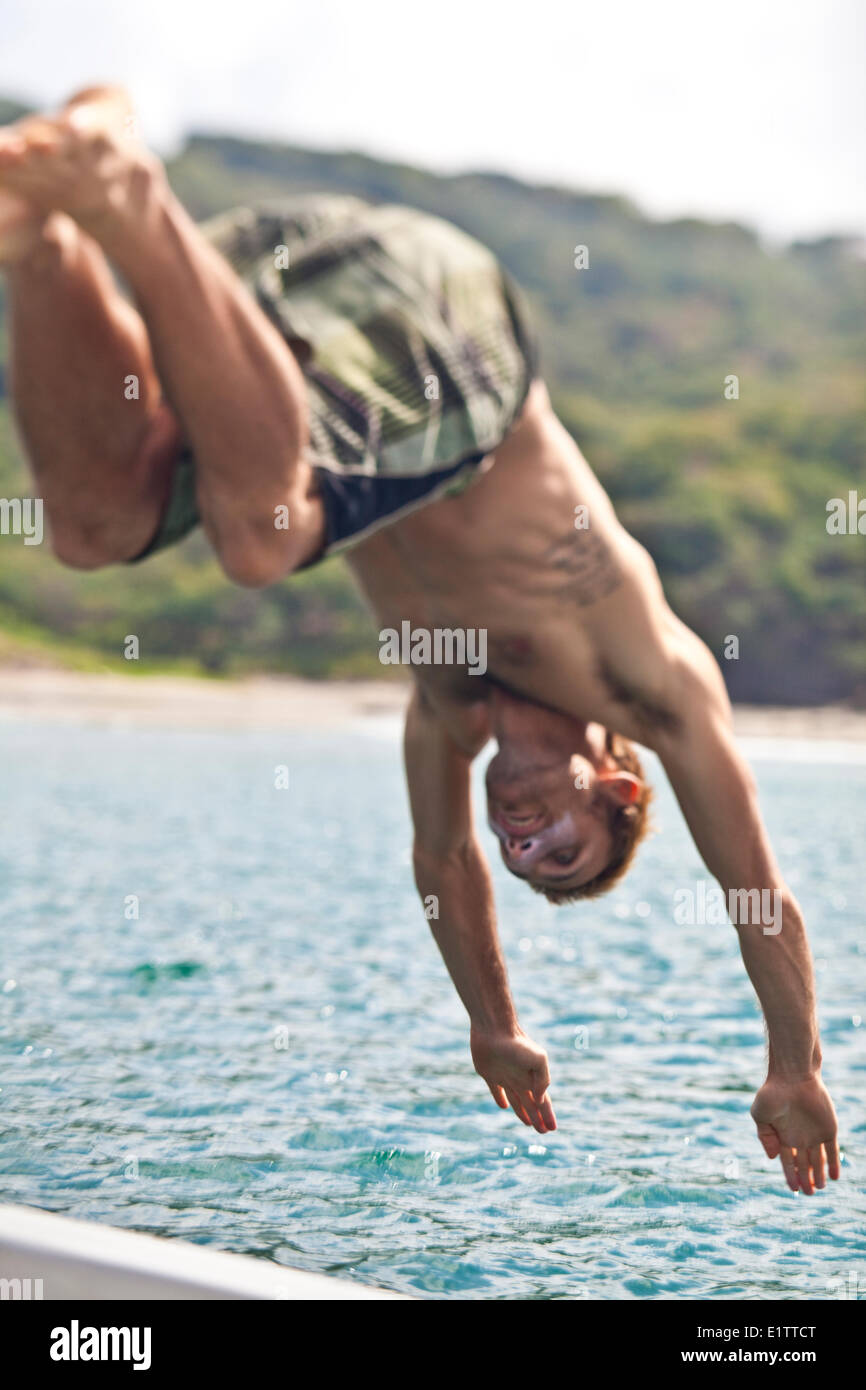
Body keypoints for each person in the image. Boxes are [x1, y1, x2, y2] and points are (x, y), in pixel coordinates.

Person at [0, 88, 840, 1195]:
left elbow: (439, 863)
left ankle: (39, 230)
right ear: (614, 787)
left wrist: (494, 1028)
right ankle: (128, 191)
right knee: (263, 538)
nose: (519, 842)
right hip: (440, 314)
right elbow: (754, 891)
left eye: (521, 860)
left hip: (272, 304)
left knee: (95, 528)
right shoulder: (653, 683)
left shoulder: (450, 707)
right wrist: (792, 1063)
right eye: (564, 847)